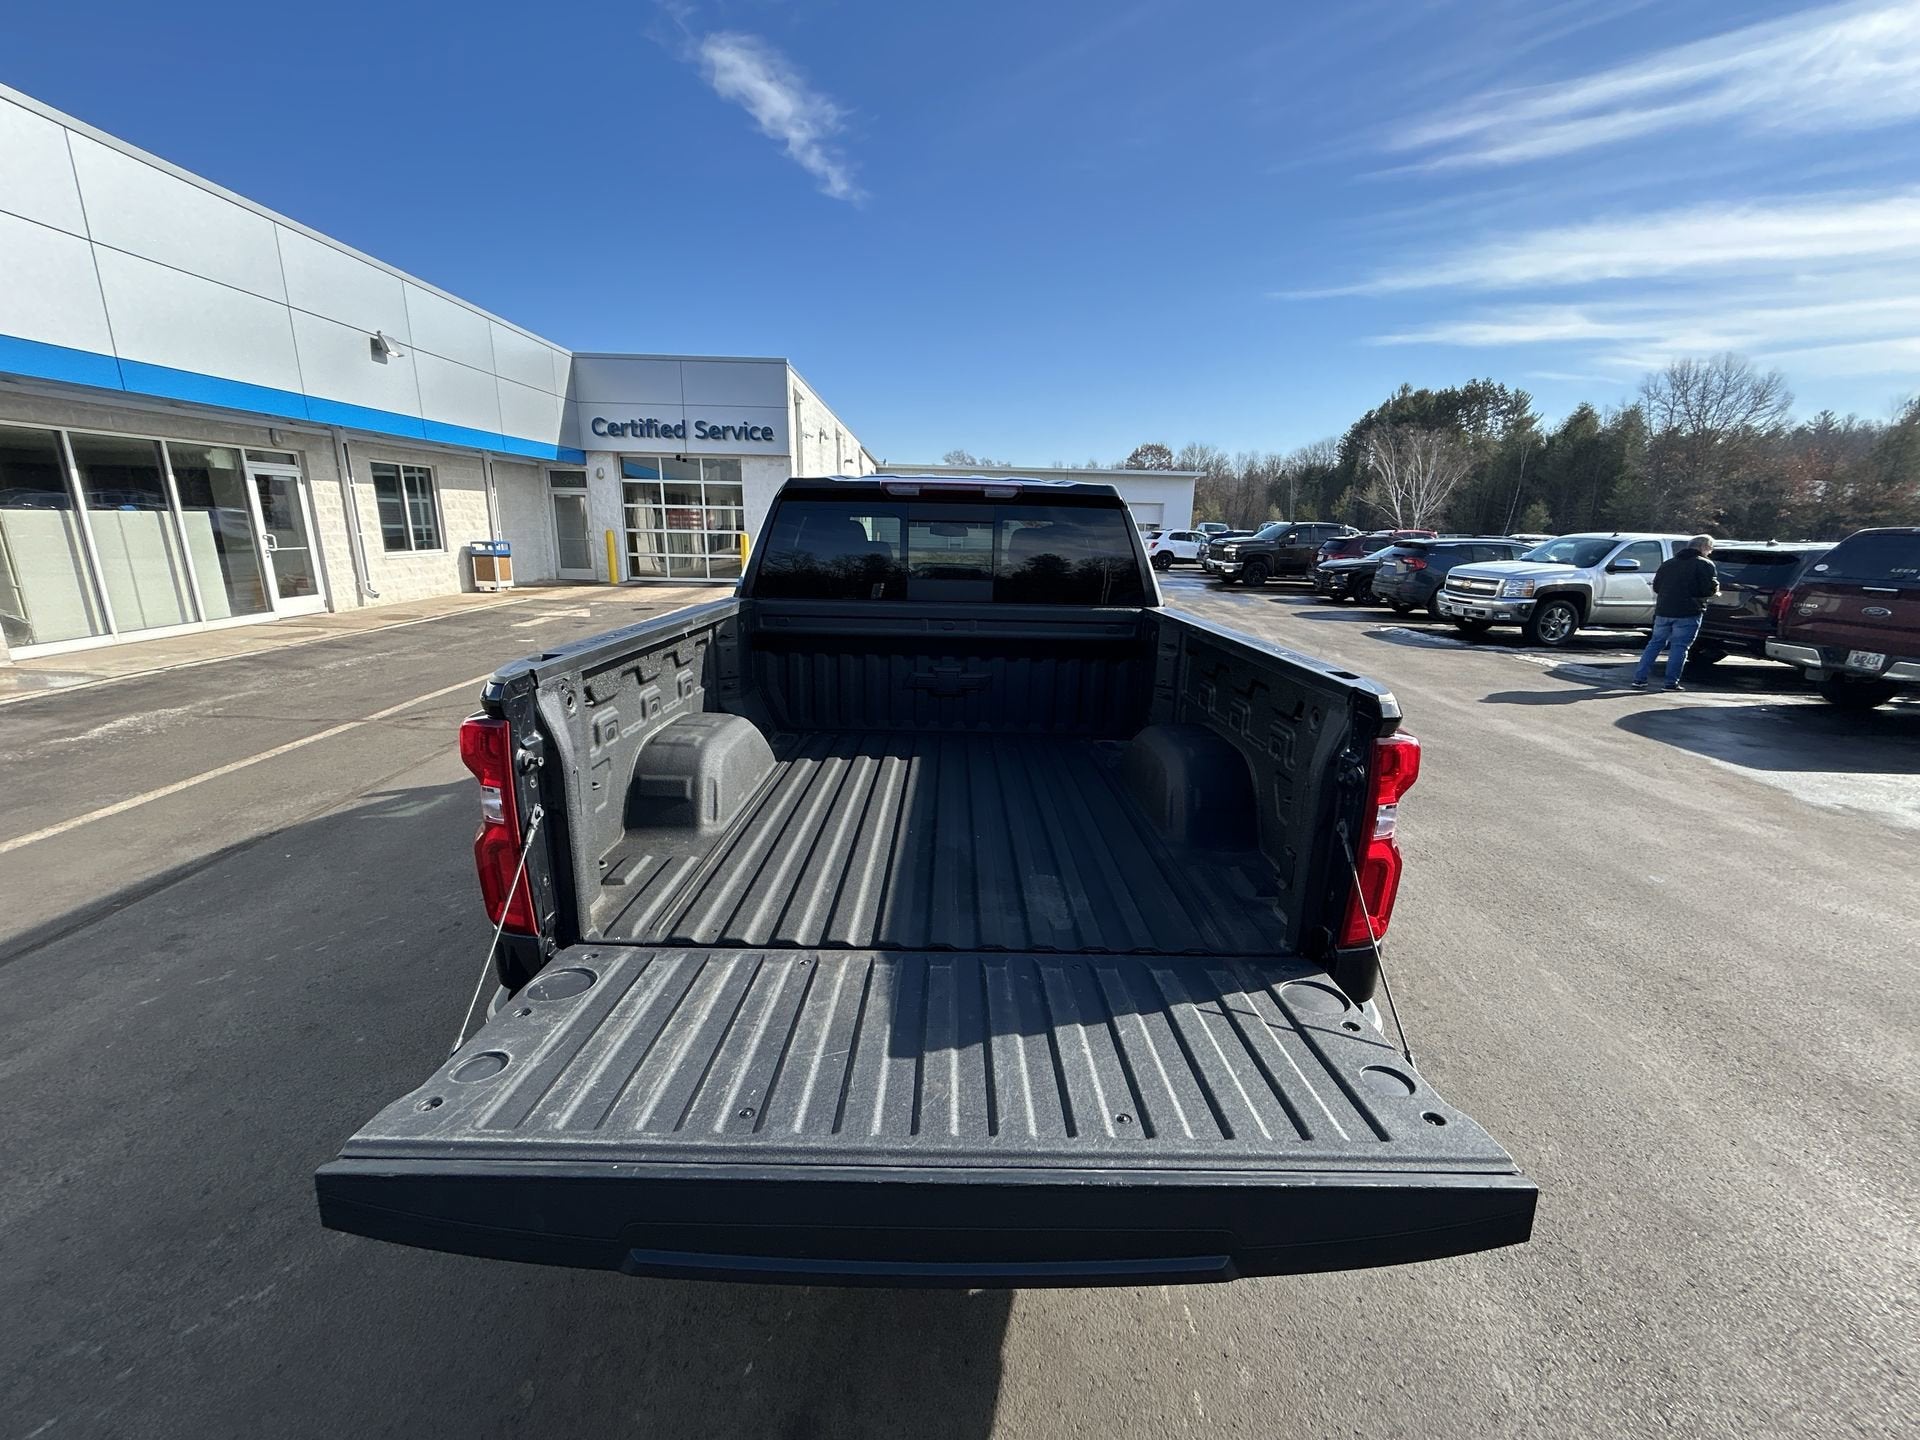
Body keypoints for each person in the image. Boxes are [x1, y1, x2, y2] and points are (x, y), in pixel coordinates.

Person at [1632, 535, 1720, 690]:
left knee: (1655, 644)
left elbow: (1657, 587)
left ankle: (1639, 679)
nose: (1710, 552)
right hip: (1689, 612)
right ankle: (1671, 682)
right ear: (1704, 547)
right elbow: (1706, 589)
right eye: (1710, 549)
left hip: (1664, 610)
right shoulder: (1705, 565)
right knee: (1679, 647)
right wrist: (1715, 590)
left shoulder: (1668, 563)